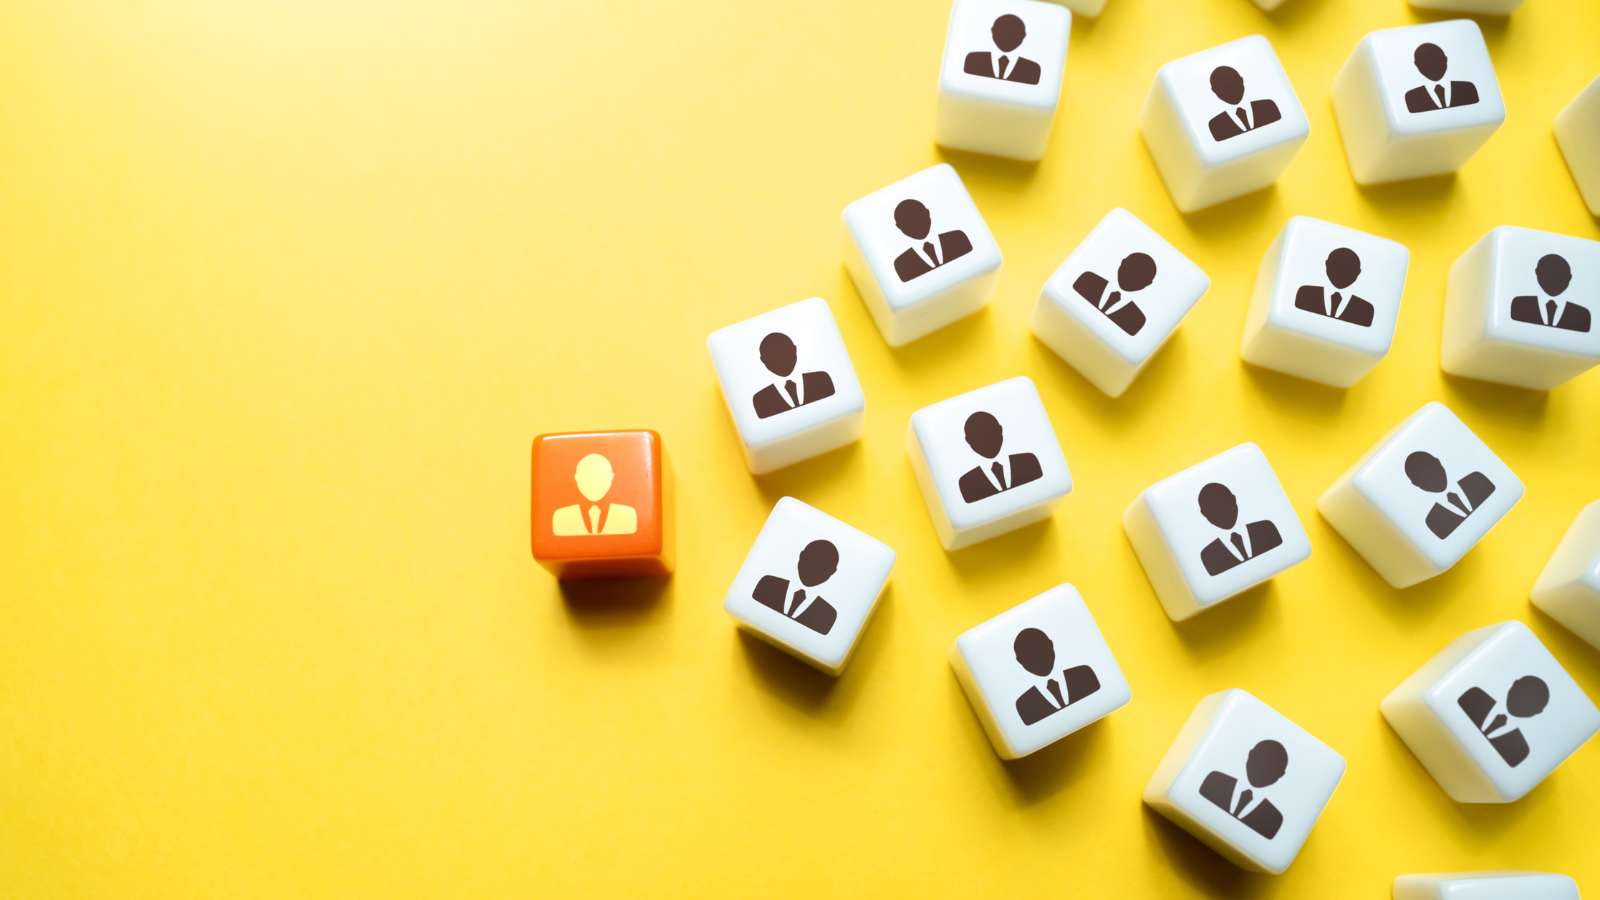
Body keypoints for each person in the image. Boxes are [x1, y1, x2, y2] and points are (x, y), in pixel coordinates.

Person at [1011, 627, 1101, 726]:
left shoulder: (1084, 674)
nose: (1038, 658)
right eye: (1029, 656)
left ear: (1051, 645)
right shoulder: (1024, 704)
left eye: (1040, 649)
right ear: (1020, 661)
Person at [1199, 740, 1288, 839]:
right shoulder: (1214, 780)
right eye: (1260, 761)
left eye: (1272, 769)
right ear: (1250, 755)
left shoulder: (1273, 819)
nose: (1262, 771)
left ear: (1280, 775)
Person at [751, 540, 840, 635]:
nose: (814, 567)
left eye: (823, 566)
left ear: (832, 571)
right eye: (811, 559)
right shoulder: (767, 584)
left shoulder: (827, 615)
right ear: (801, 556)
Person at [1457, 675, 1549, 767]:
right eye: (1522, 692)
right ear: (1514, 684)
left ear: (1537, 712)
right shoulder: (1473, 695)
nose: (1522, 701)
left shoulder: (1520, 752)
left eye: (1531, 702)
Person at [1404, 451, 1495, 539]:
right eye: (1424, 477)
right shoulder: (1433, 522)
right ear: (1416, 484)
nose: (1432, 477)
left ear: (1438, 462)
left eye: (1431, 469)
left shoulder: (1477, 480)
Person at [1197, 482, 1282, 576]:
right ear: (1204, 514)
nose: (1221, 512)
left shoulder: (1266, 528)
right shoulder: (1208, 555)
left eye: (1223, 503)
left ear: (1233, 499)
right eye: (1211, 510)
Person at [957, 411, 1042, 503]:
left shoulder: (1029, 462)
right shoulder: (967, 483)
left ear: (1000, 430)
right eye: (977, 436)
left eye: (990, 432)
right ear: (968, 441)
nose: (985, 440)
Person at [750, 332, 836, 419]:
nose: (781, 360)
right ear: (763, 360)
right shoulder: (761, 400)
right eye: (773, 356)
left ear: (794, 349)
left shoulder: (821, 380)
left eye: (785, 352)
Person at [551, 453, 638, 536]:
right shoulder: (561, 516)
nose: (593, 484)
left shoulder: (629, 514)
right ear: (576, 478)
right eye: (585, 478)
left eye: (601, 477)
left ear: (611, 477)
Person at [1072, 252, 1156, 336]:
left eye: (1139, 276)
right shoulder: (1088, 279)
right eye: (1130, 269)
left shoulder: (1137, 320)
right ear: (1122, 263)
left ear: (1147, 283)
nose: (1131, 276)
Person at [892, 199, 973, 283]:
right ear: (899, 226)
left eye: (919, 217)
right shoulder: (902, 264)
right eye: (909, 223)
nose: (916, 225)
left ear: (927, 213)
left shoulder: (957, 238)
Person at [1510, 254, 1591, 333]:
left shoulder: (1582, 315)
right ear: (1537, 273)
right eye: (1547, 273)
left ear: (1569, 278)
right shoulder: (1519, 304)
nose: (1554, 280)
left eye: (1560, 275)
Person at [1294, 247, 1374, 327]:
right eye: (1337, 265)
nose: (1341, 272)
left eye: (1348, 269)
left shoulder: (1365, 309)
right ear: (1327, 264)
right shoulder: (1306, 293)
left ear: (1358, 272)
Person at [1207, 66, 1282, 142]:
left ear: (1241, 81)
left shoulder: (1268, 107)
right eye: (1223, 89)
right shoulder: (1216, 125)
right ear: (1214, 91)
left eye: (1233, 84)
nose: (1230, 91)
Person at [962, 14, 1041, 86]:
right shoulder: (974, 59)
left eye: (1014, 33)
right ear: (993, 31)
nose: (1007, 37)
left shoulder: (1032, 69)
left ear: (1023, 36)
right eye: (1002, 31)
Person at [1404, 42, 1479, 113]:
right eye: (1425, 62)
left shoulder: (1467, 88)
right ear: (1417, 65)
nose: (1432, 66)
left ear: (1445, 59)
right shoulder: (1412, 97)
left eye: (1436, 60)